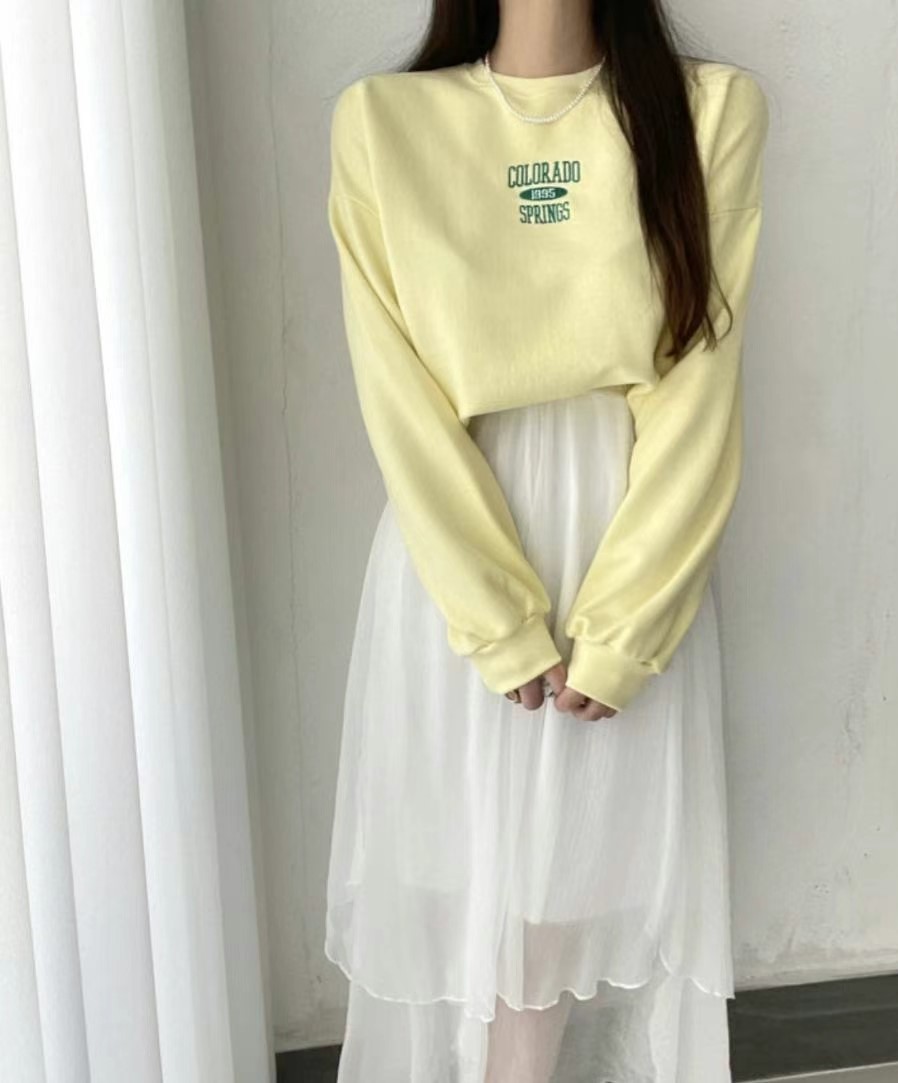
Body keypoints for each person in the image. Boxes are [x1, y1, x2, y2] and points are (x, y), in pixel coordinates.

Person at [323, 0, 769, 1078]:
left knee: (572, 876)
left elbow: (700, 388)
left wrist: (628, 624)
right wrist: (495, 616)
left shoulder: (709, 112)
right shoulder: (384, 122)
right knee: (471, 871)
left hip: (630, 536)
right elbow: (399, 402)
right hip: (457, 547)